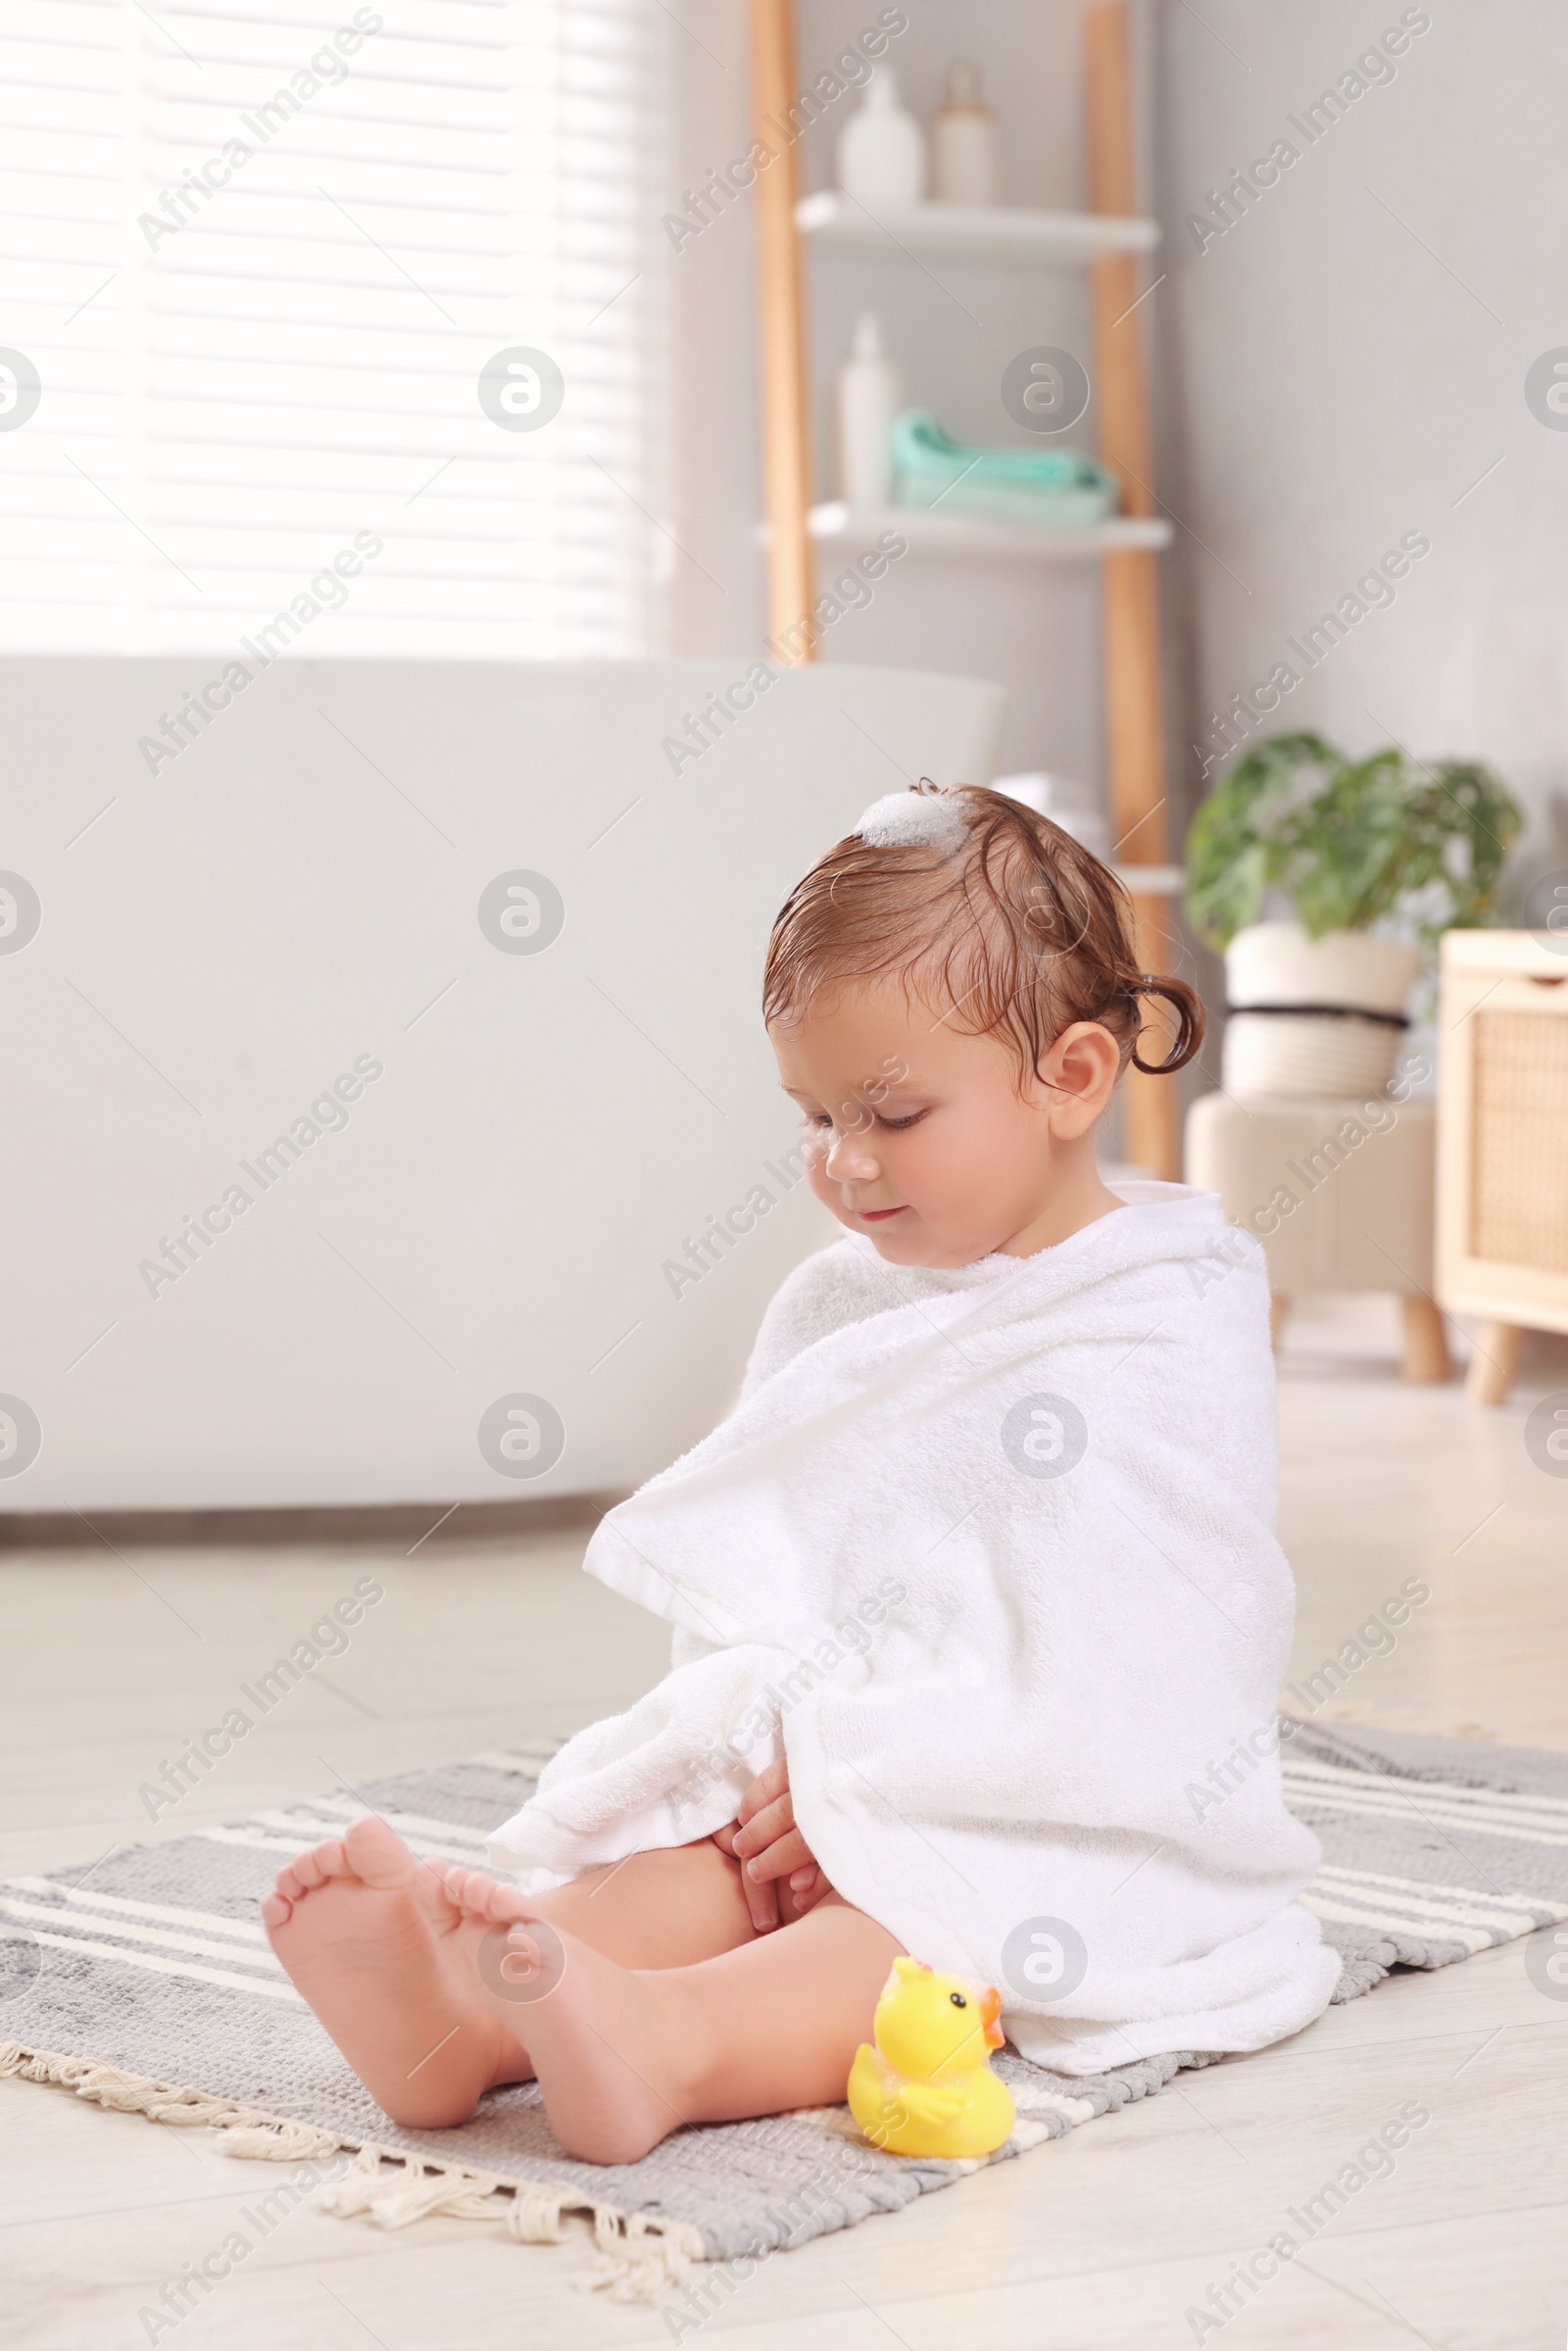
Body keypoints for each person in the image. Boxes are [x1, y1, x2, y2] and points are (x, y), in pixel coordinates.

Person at [262, 783, 1340, 2163]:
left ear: (1071, 1078)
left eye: (892, 1113)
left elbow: (1151, 1653)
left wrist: (883, 1771)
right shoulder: (848, 1306)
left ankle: (673, 2048)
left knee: (919, 1924)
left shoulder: (1161, 1317)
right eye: (813, 1117)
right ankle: (466, 2014)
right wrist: (790, 1744)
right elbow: (786, 1581)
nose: (844, 1163)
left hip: (1049, 1798)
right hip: (839, 1753)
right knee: (699, 1854)